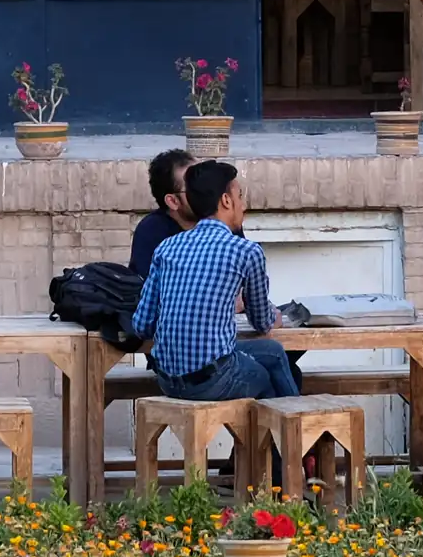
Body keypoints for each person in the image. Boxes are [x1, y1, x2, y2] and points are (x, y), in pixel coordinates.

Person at [129, 157, 302, 407]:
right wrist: (271, 316)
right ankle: (293, 437)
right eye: (240, 196)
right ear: (226, 201)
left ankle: (265, 444)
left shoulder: (166, 248)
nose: (243, 205)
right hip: (212, 379)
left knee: (270, 359)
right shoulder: (245, 251)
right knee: (271, 364)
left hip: (166, 379)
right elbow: (263, 322)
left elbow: (142, 325)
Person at [130, 147, 194, 278]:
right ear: (173, 201)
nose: (207, 189)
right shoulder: (152, 231)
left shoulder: (222, 217)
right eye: (194, 187)